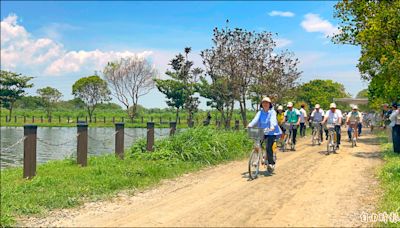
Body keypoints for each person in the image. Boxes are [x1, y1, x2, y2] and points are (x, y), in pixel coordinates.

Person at [248, 97, 282, 170]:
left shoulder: (272, 112)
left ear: (270, 104)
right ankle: (257, 159)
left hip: (271, 132)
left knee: (268, 147)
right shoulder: (260, 112)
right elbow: (255, 120)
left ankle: (271, 163)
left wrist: (272, 126)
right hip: (262, 131)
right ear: (261, 104)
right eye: (264, 102)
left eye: (267, 103)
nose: (265, 104)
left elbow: (273, 120)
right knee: (257, 144)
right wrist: (250, 125)